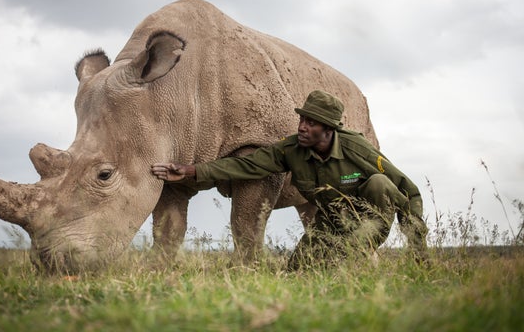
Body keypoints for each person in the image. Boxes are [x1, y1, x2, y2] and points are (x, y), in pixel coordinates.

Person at [151, 90, 428, 269]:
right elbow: (247, 165)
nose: (302, 126)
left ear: (328, 129)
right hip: (330, 222)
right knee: (296, 272)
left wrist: (419, 249)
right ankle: (338, 259)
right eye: (303, 119)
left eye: (311, 122)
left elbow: (407, 190)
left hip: (369, 221)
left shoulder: (356, 149)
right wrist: (191, 171)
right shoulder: (292, 149)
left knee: (380, 183)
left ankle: (356, 254)